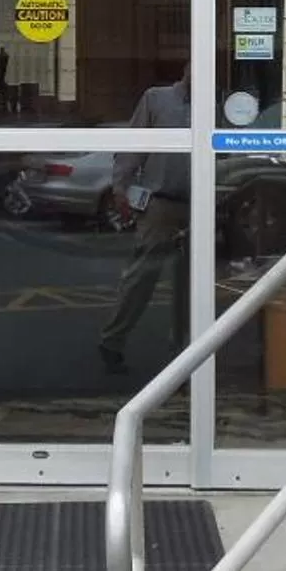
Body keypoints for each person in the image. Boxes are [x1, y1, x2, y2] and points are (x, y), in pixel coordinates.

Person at [96, 66, 190, 374]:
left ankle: (186, 353)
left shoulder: (215, 107)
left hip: (198, 204)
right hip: (160, 204)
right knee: (142, 276)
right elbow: (134, 145)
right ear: (187, 70)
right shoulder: (157, 99)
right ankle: (112, 341)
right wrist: (120, 187)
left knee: (192, 283)